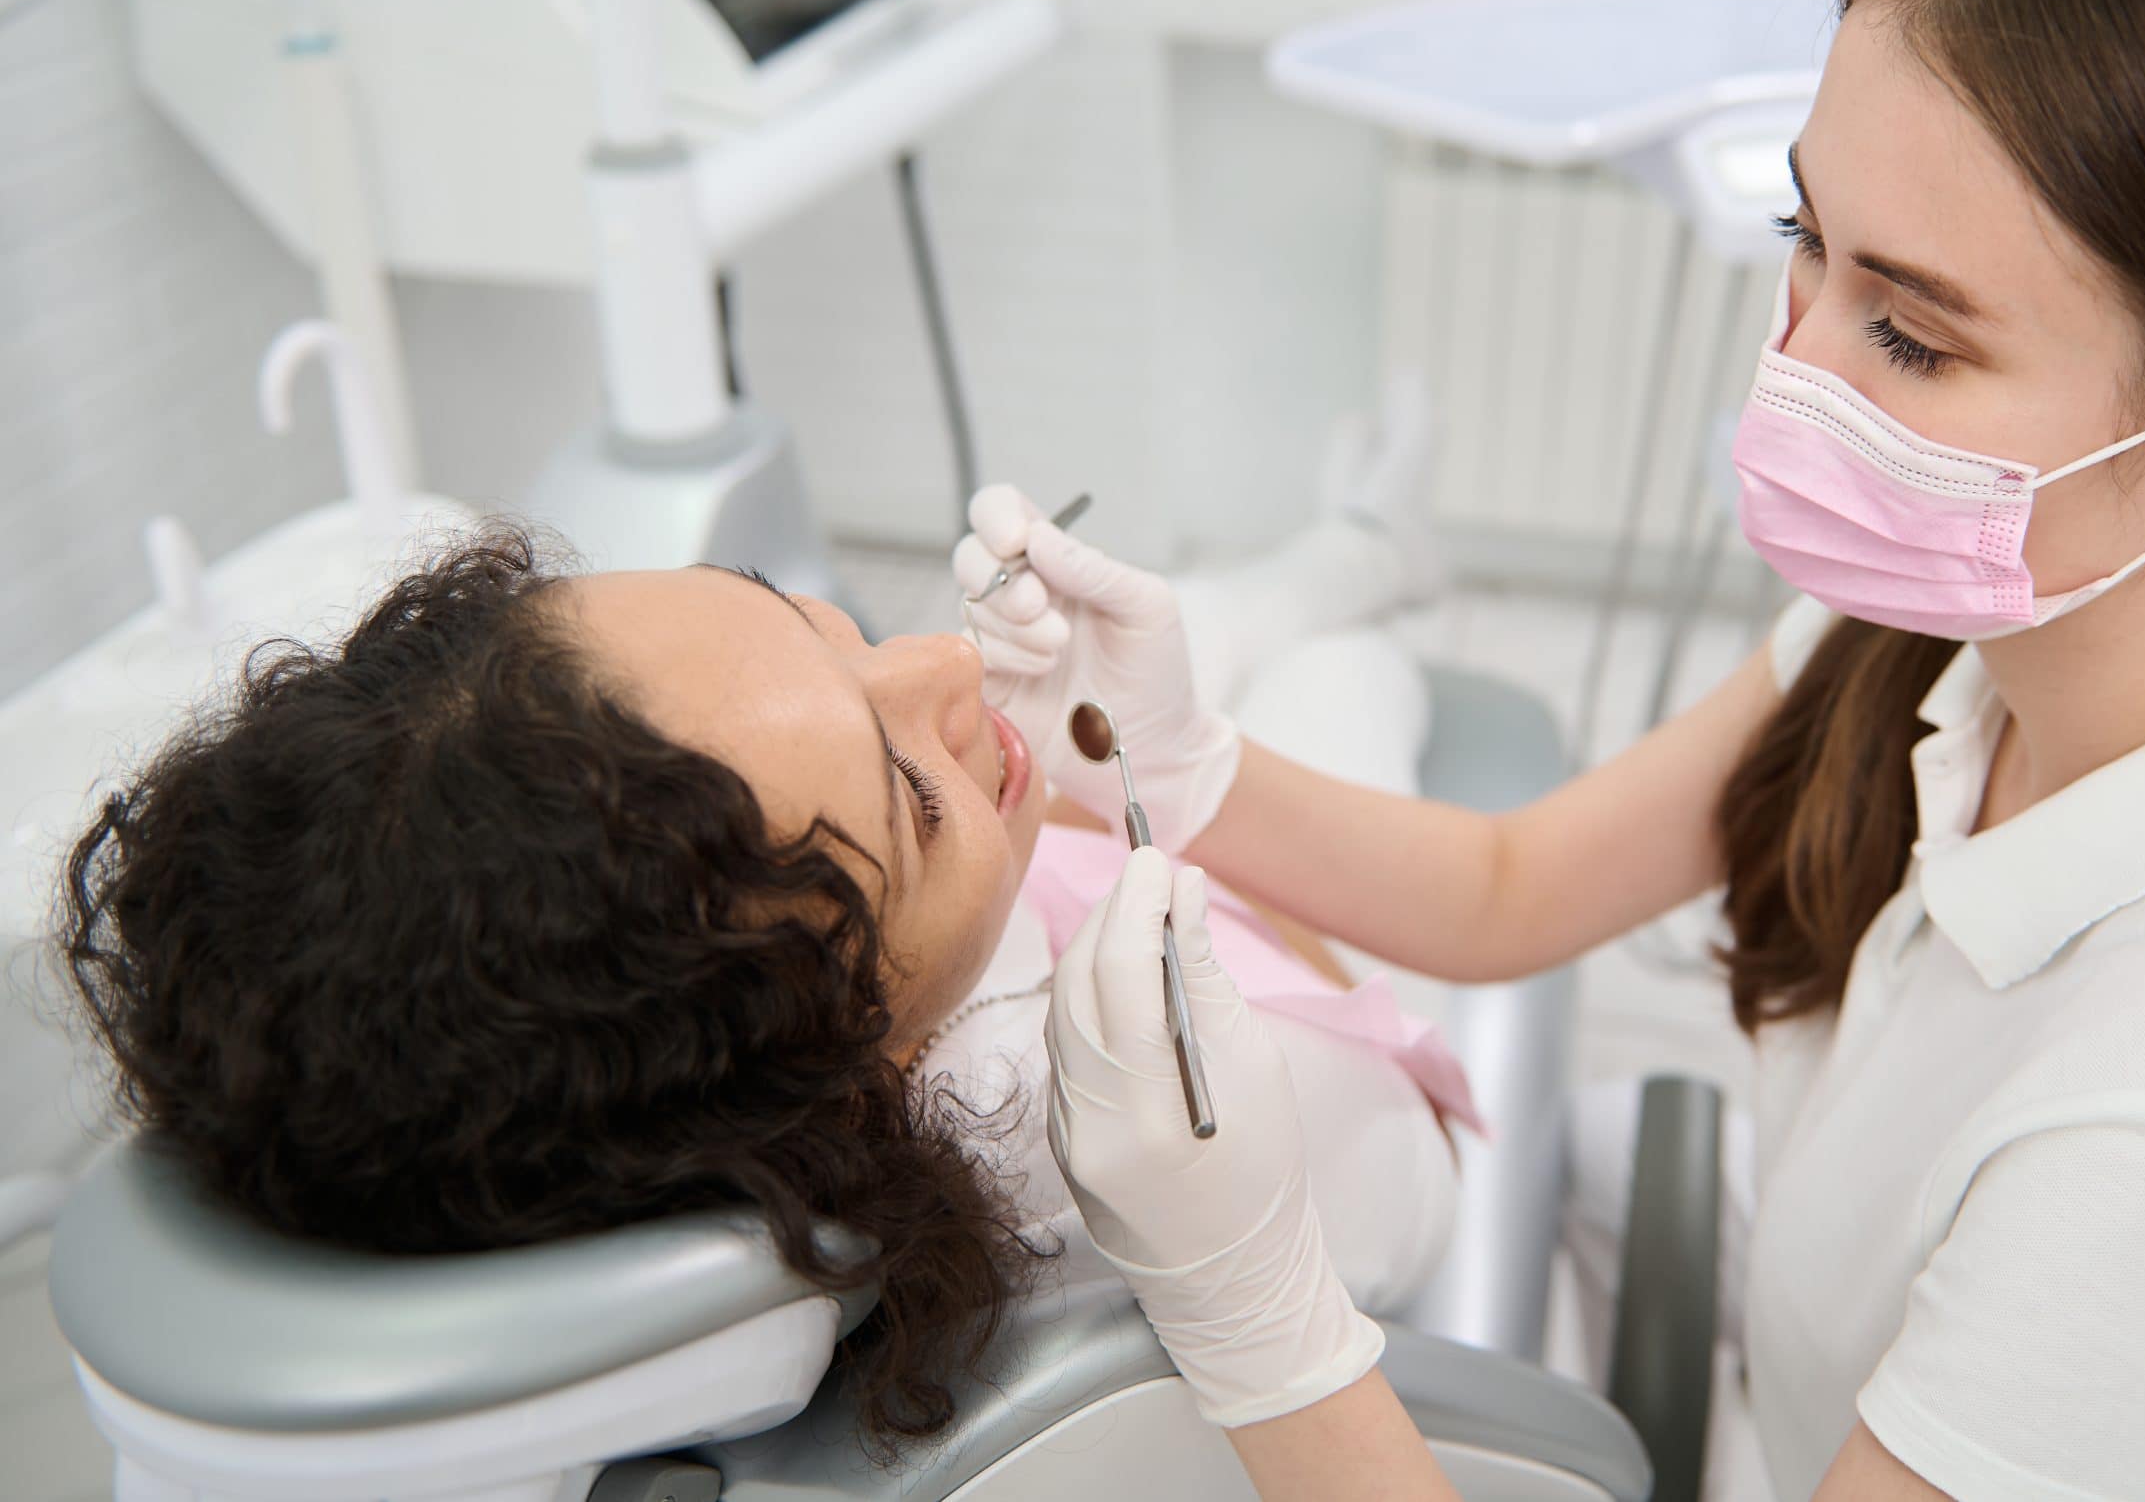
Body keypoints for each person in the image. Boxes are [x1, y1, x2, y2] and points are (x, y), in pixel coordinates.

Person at [963, 0, 2145, 1496]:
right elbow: (1509, 891)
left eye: (1916, 336)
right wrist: (1168, 747)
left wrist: (1254, 1306)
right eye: (1809, 240)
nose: (1797, 372)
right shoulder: (1973, 609)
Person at [48, 447, 1462, 1449]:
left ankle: (1358, 540)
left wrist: (1047, 788)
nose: (948, 664)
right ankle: (1385, 558)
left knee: (1201, 624)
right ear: (837, 1088)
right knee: (1344, 677)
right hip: (1357, 1043)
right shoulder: (1120, 1135)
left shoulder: (817, 932)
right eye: (910, 801)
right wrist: (1206, 830)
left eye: (806, 617)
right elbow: (1418, 1119)